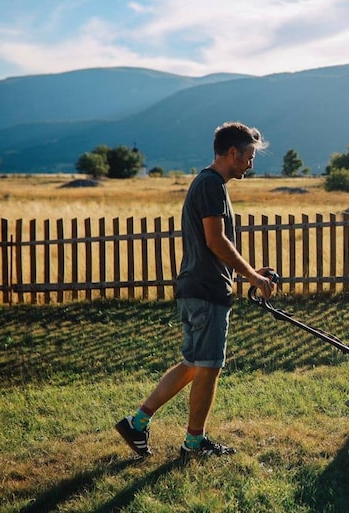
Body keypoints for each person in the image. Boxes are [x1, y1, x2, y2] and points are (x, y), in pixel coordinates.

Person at [116, 121, 276, 462]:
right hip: (205, 291)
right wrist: (250, 277)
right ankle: (193, 443)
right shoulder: (211, 185)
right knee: (208, 366)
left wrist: (248, 271)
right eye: (249, 156)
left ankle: (138, 422)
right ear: (232, 153)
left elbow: (219, 245)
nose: (251, 164)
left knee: (193, 364)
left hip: (198, 287)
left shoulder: (210, 184)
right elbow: (215, 240)